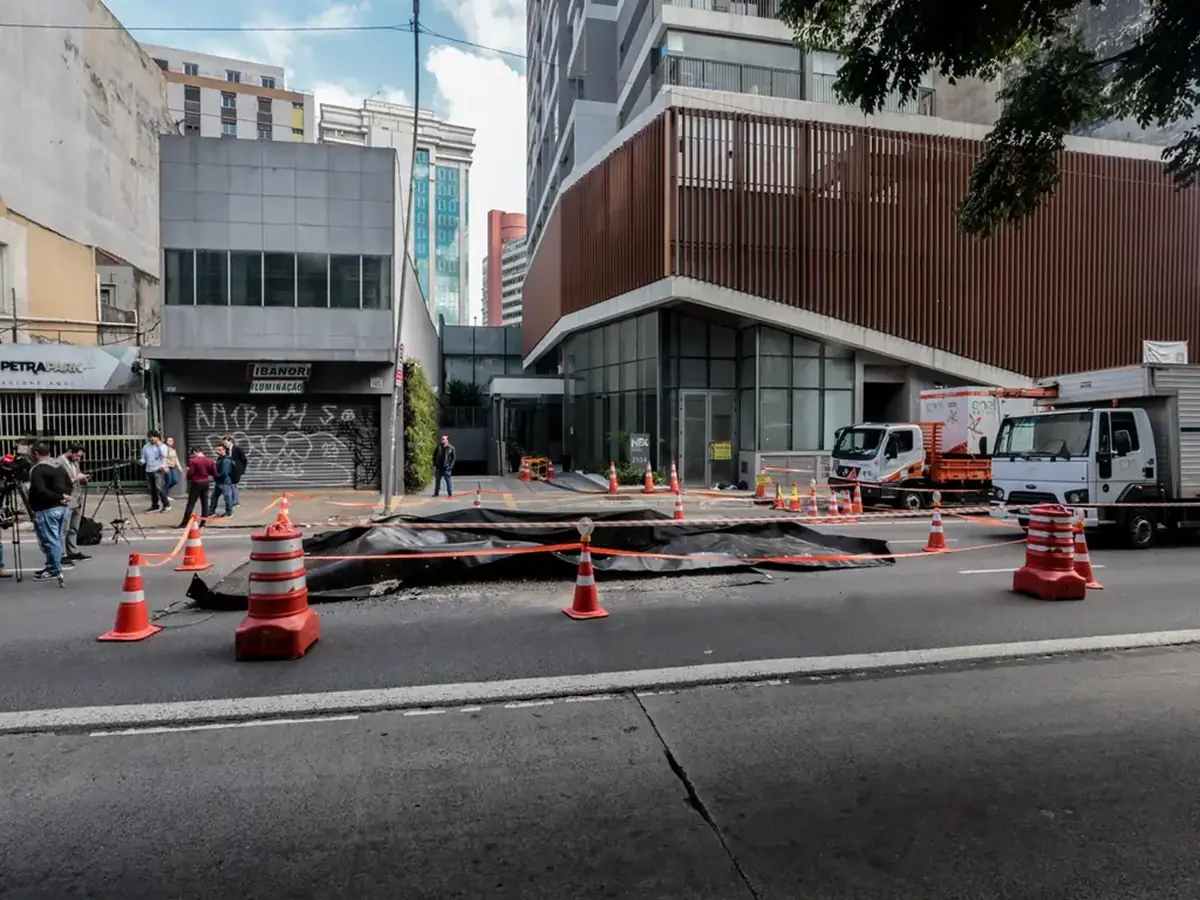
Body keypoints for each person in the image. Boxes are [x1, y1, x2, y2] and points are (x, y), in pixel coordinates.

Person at [28, 443, 73, 581]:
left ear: (35, 453)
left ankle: (55, 569)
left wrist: (59, 497)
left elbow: (41, 490)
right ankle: (51, 565)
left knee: (50, 540)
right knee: (57, 538)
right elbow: (69, 485)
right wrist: (64, 497)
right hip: (62, 508)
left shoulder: (38, 470)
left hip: (47, 509)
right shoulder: (58, 466)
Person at [56, 443, 91, 563]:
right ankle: (62, 554)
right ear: (70, 452)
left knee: (74, 527)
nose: (78, 459)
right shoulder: (59, 463)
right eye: (77, 456)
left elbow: (78, 476)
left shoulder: (75, 462)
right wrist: (76, 478)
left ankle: (73, 550)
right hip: (67, 497)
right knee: (64, 528)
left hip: (77, 496)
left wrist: (83, 480)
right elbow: (59, 482)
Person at [178, 447, 216, 528]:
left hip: (196, 483)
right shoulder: (210, 460)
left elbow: (190, 474)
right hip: (206, 482)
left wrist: (188, 472)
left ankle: (185, 522)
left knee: (191, 503)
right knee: (205, 503)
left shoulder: (193, 461)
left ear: (195, 452)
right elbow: (214, 472)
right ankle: (203, 523)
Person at [141, 431, 171, 514]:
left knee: (159, 487)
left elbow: (164, 455)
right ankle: (155, 506)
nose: (152, 438)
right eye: (150, 437)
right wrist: (142, 461)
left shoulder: (163, 446)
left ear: (158, 437)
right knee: (152, 489)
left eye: (154, 437)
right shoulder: (146, 447)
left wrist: (159, 446)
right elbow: (144, 458)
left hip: (158, 469)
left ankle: (167, 505)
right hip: (149, 469)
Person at [222, 435, 247, 509]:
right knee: (230, 486)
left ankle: (235, 502)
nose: (225, 445)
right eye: (224, 443)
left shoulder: (238, 449)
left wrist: (242, 470)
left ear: (230, 441)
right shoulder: (226, 450)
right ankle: (233, 501)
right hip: (229, 470)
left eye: (226, 443)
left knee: (234, 486)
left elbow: (244, 460)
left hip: (236, 470)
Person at [210, 444, 235, 517]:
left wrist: (215, 475)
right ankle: (211, 511)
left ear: (224, 450)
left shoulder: (226, 460)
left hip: (224, 482)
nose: (217, 451)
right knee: (214, 497)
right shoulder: (220, 458)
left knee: (227, 497)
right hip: (219, 482)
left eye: (219, 450)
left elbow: (224, 473)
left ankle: (229, 513)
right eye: (216, 450)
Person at [162, 436, 183, 501]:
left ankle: (163, 492)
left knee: (175, 481)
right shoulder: (165, 449)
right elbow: (163, 458)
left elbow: (176, 458)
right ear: (166, 441)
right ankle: (165, 495)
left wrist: (180, 467)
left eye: (172, 441)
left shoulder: (173, 449)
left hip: (173, 467)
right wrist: (165, 466)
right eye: (169, 440)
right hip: (167, 467)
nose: (171, 442)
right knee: (168, 481)